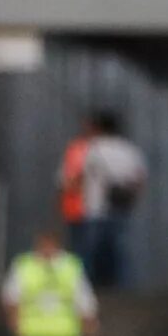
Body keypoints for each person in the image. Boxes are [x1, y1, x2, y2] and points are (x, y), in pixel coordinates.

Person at [63, 111, 147, 288]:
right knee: (118, 251)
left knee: (90, 251)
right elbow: (139, 179)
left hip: (95, 206)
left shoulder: (93, 147)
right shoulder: (129, 149)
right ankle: (121, 288)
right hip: (121, 206)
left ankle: (87, 288)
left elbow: (78, 176)